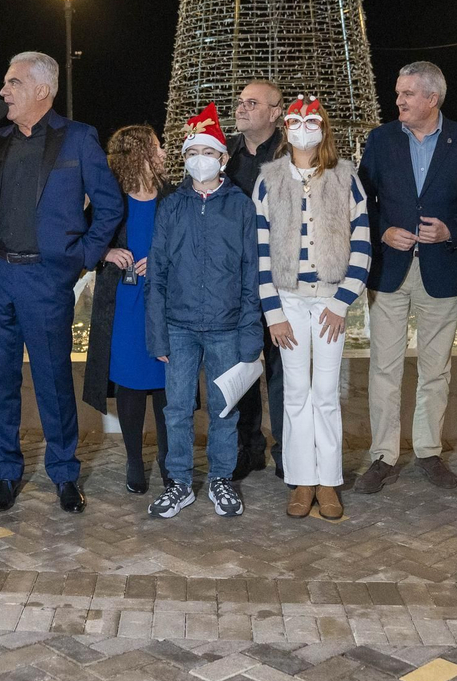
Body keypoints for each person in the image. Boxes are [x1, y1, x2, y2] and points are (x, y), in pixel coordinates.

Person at [0, 51, 124, 514]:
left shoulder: (79, 139)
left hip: (46, 280)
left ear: (41, 90)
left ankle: (65, 475)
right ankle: (7, 474)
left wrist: (83, 258)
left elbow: (109, 205)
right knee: (1, 380)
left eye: (13, 83)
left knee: (52, 381)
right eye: (5, 83)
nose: (3, 92)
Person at [357, 62, 457, 495]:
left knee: (436, 370)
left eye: (407, 93)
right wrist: (381, 231)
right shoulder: (381, 139)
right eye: (398, 93)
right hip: (389, 271)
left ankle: (428, 452)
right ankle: (383, 456)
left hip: (441, 268)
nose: (399, 101)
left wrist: (453, 230)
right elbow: (363, 200)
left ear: (432, 98)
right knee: (384, 369)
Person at [255, 96, 370, 521]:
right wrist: (274, 313)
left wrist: (342, 303)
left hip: (329, 302)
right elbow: (260, 250)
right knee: (295, 393)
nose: (303, 128)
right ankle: (301, 479)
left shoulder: (345, 177)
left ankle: (328, 481)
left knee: (325, 393)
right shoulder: (268, 180)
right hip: (287, 301)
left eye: (311, 121)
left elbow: (362, 243)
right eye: (296, 121)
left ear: (323, 127)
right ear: (285, 128)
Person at [146, 104, 262, 520]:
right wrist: (157, 333)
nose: (200, 159)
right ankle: (179, 481)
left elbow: (252, 273)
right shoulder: (172, 207)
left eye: (208, 152)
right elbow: (156, 273)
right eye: (193, 151)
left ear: (223, 158)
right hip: (178, 327)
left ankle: (220, 479)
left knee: (223, 409)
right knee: (176, 408)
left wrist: (251, 334)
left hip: (226, 328)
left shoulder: (241, 207)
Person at [81, 124, 169, 495]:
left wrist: (164, 262)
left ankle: (169, 461)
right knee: (131, 384)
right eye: (157, 147)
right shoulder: (109, 197)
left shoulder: (173, 196)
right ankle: (135, 460)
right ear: (141, 153)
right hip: (123, 304)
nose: (164, 153)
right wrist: (105, 253)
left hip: (165, 304)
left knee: (169, 386)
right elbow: (77, 236)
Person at [225, 79, 287, 481]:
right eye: (240, 101)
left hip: (281, 280)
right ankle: (249, 449)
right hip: (234, 281)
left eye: (252, 102)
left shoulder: (292, 153)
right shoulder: (222, 155)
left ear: (275, 112)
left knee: (284, 370)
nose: (241, 108)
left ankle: (288, 451)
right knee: (244, 366)